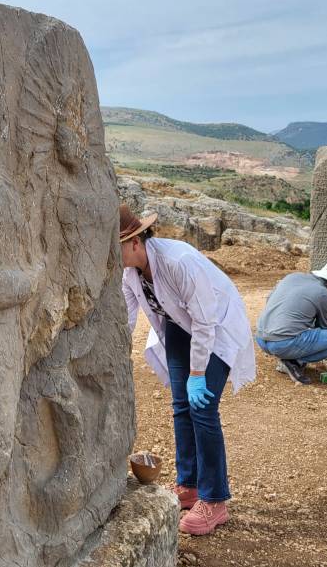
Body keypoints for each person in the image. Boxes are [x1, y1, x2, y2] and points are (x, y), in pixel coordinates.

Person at [119, 205, 256, 535]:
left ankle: (214, 500)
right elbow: (124, 318)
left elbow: (206, 321)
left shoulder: (178, 261)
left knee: (203, 407)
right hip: (180, 327)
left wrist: (197, 375)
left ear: (135, 242)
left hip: (214, 326)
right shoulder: (129, 273)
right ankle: (190, 485)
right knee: (182, 406)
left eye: (115, 247)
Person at [254, 263, 327, 385]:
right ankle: (295, 361)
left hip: (261, 339)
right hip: (281, 344)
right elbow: (323, 328)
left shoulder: (292, 277)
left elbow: (269, 300)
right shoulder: (324, 294)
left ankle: (290, 357)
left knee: (296, 333)